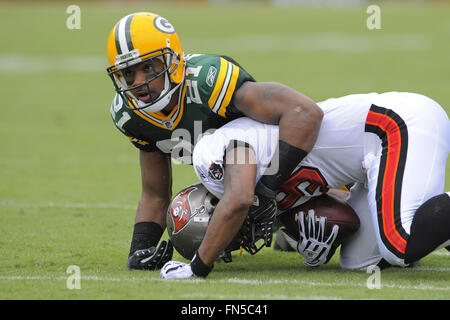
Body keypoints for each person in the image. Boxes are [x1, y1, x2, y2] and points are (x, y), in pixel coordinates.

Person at [106, 12, 324, 272]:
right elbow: (155, 193)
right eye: (128, 73)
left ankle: (292, 218)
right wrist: (141, 249)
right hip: (234, 182)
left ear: (171, 61)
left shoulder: (207, 80)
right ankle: (279, 223)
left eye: (148, 68)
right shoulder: (130, 115)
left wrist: (267, 192)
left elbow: (298, 113)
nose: (139, 82)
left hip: (284, 166)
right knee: (189, 211)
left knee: (328, 223)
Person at [160, 91, 450, 279]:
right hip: (372, 157)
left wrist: (197, 268)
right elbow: (330, 191)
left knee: (398, 243)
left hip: (393, 125)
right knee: (361, 261)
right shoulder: (239, 182)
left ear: (213, 212)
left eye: (227, 238)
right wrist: (305, 235)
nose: (237, 241)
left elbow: (239, 199)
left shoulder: (209, 155)